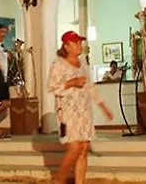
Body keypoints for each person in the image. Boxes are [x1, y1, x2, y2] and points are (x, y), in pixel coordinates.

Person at [48, 31, 113, 184]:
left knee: (84, 147)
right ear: (66, 46)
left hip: (84, 111)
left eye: (80, 43)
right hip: (67, 112)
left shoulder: (82, 63)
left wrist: (103, 106)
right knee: (74, 148)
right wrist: (72, 82)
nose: (79, 46)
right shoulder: (58, 64)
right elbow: (53, 87)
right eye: (76, 43)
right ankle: (59, 180)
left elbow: (90, 87)